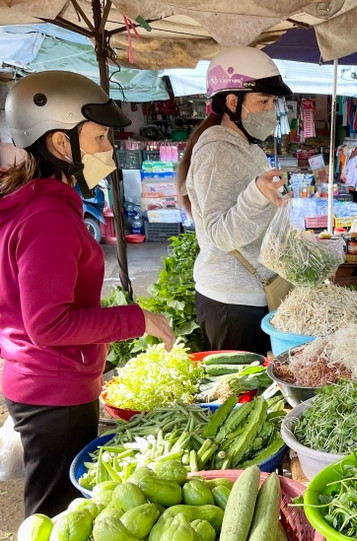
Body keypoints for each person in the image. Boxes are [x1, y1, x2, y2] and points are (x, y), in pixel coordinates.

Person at [0, 71, 175, 516]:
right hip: (53, 388)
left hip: (42, 380)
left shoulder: (35, 202)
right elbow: (49, 324)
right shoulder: (47, 217)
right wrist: (137, 320)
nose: (109, 150)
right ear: (62, 144)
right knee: (55, 513)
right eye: (99, 138)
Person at [177, 47, 293, 354]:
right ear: (232, 102)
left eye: (273, 102)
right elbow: (220, 233)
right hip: (233, 303)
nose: (272, 110)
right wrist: (256, 194)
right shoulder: (217, 152)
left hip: (252, 296)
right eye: (263, 101)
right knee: (243, 397)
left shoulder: (245, 146)